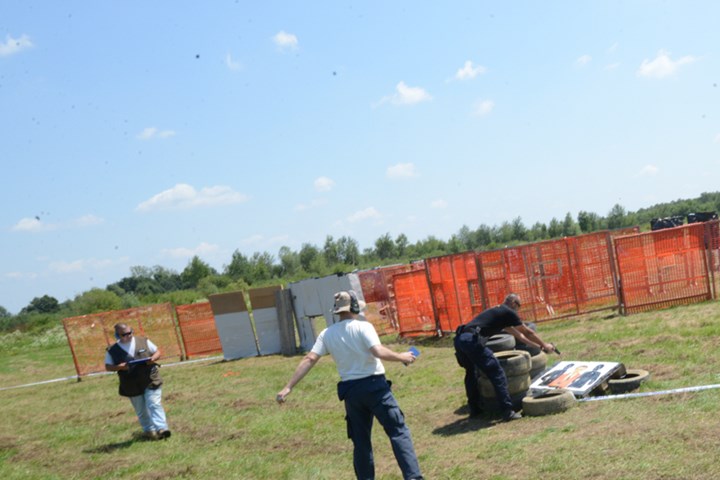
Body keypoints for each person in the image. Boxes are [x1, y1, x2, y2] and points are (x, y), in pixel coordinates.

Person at [276, 291, 423, 480]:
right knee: (398, 432)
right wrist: (402, 357)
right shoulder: (364, 327)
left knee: (361, 442)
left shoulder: (326, 333)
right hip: (376, 388)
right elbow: (378, 351)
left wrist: (288, 387)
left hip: (352, 393)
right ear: (354, 307)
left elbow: (310, 358)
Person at [454, 293, 556, 420]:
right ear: (513, 303)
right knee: (497, 372)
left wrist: (540, 347)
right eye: (518, 305)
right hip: (472, 341)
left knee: (471, 373)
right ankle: (507, 412)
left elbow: (520, 336)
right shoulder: (508, 312)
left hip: (460, 339)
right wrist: (545, 345)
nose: (518, 309)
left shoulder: (500, 313)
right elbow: (527, 332)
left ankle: (475, 410)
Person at [104, 323, 171, 440]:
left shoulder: (143, 341)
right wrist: (119, 367)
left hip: (150, 378)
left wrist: (153, 358)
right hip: (130, 383)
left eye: (129, 333)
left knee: (153, 403)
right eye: (124, 334)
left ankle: (162, 428)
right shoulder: (112, 350)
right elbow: (108, 366)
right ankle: (149, 431)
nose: (128, 336)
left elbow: (157, 352)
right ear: (117, 335)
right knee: (141, 410)